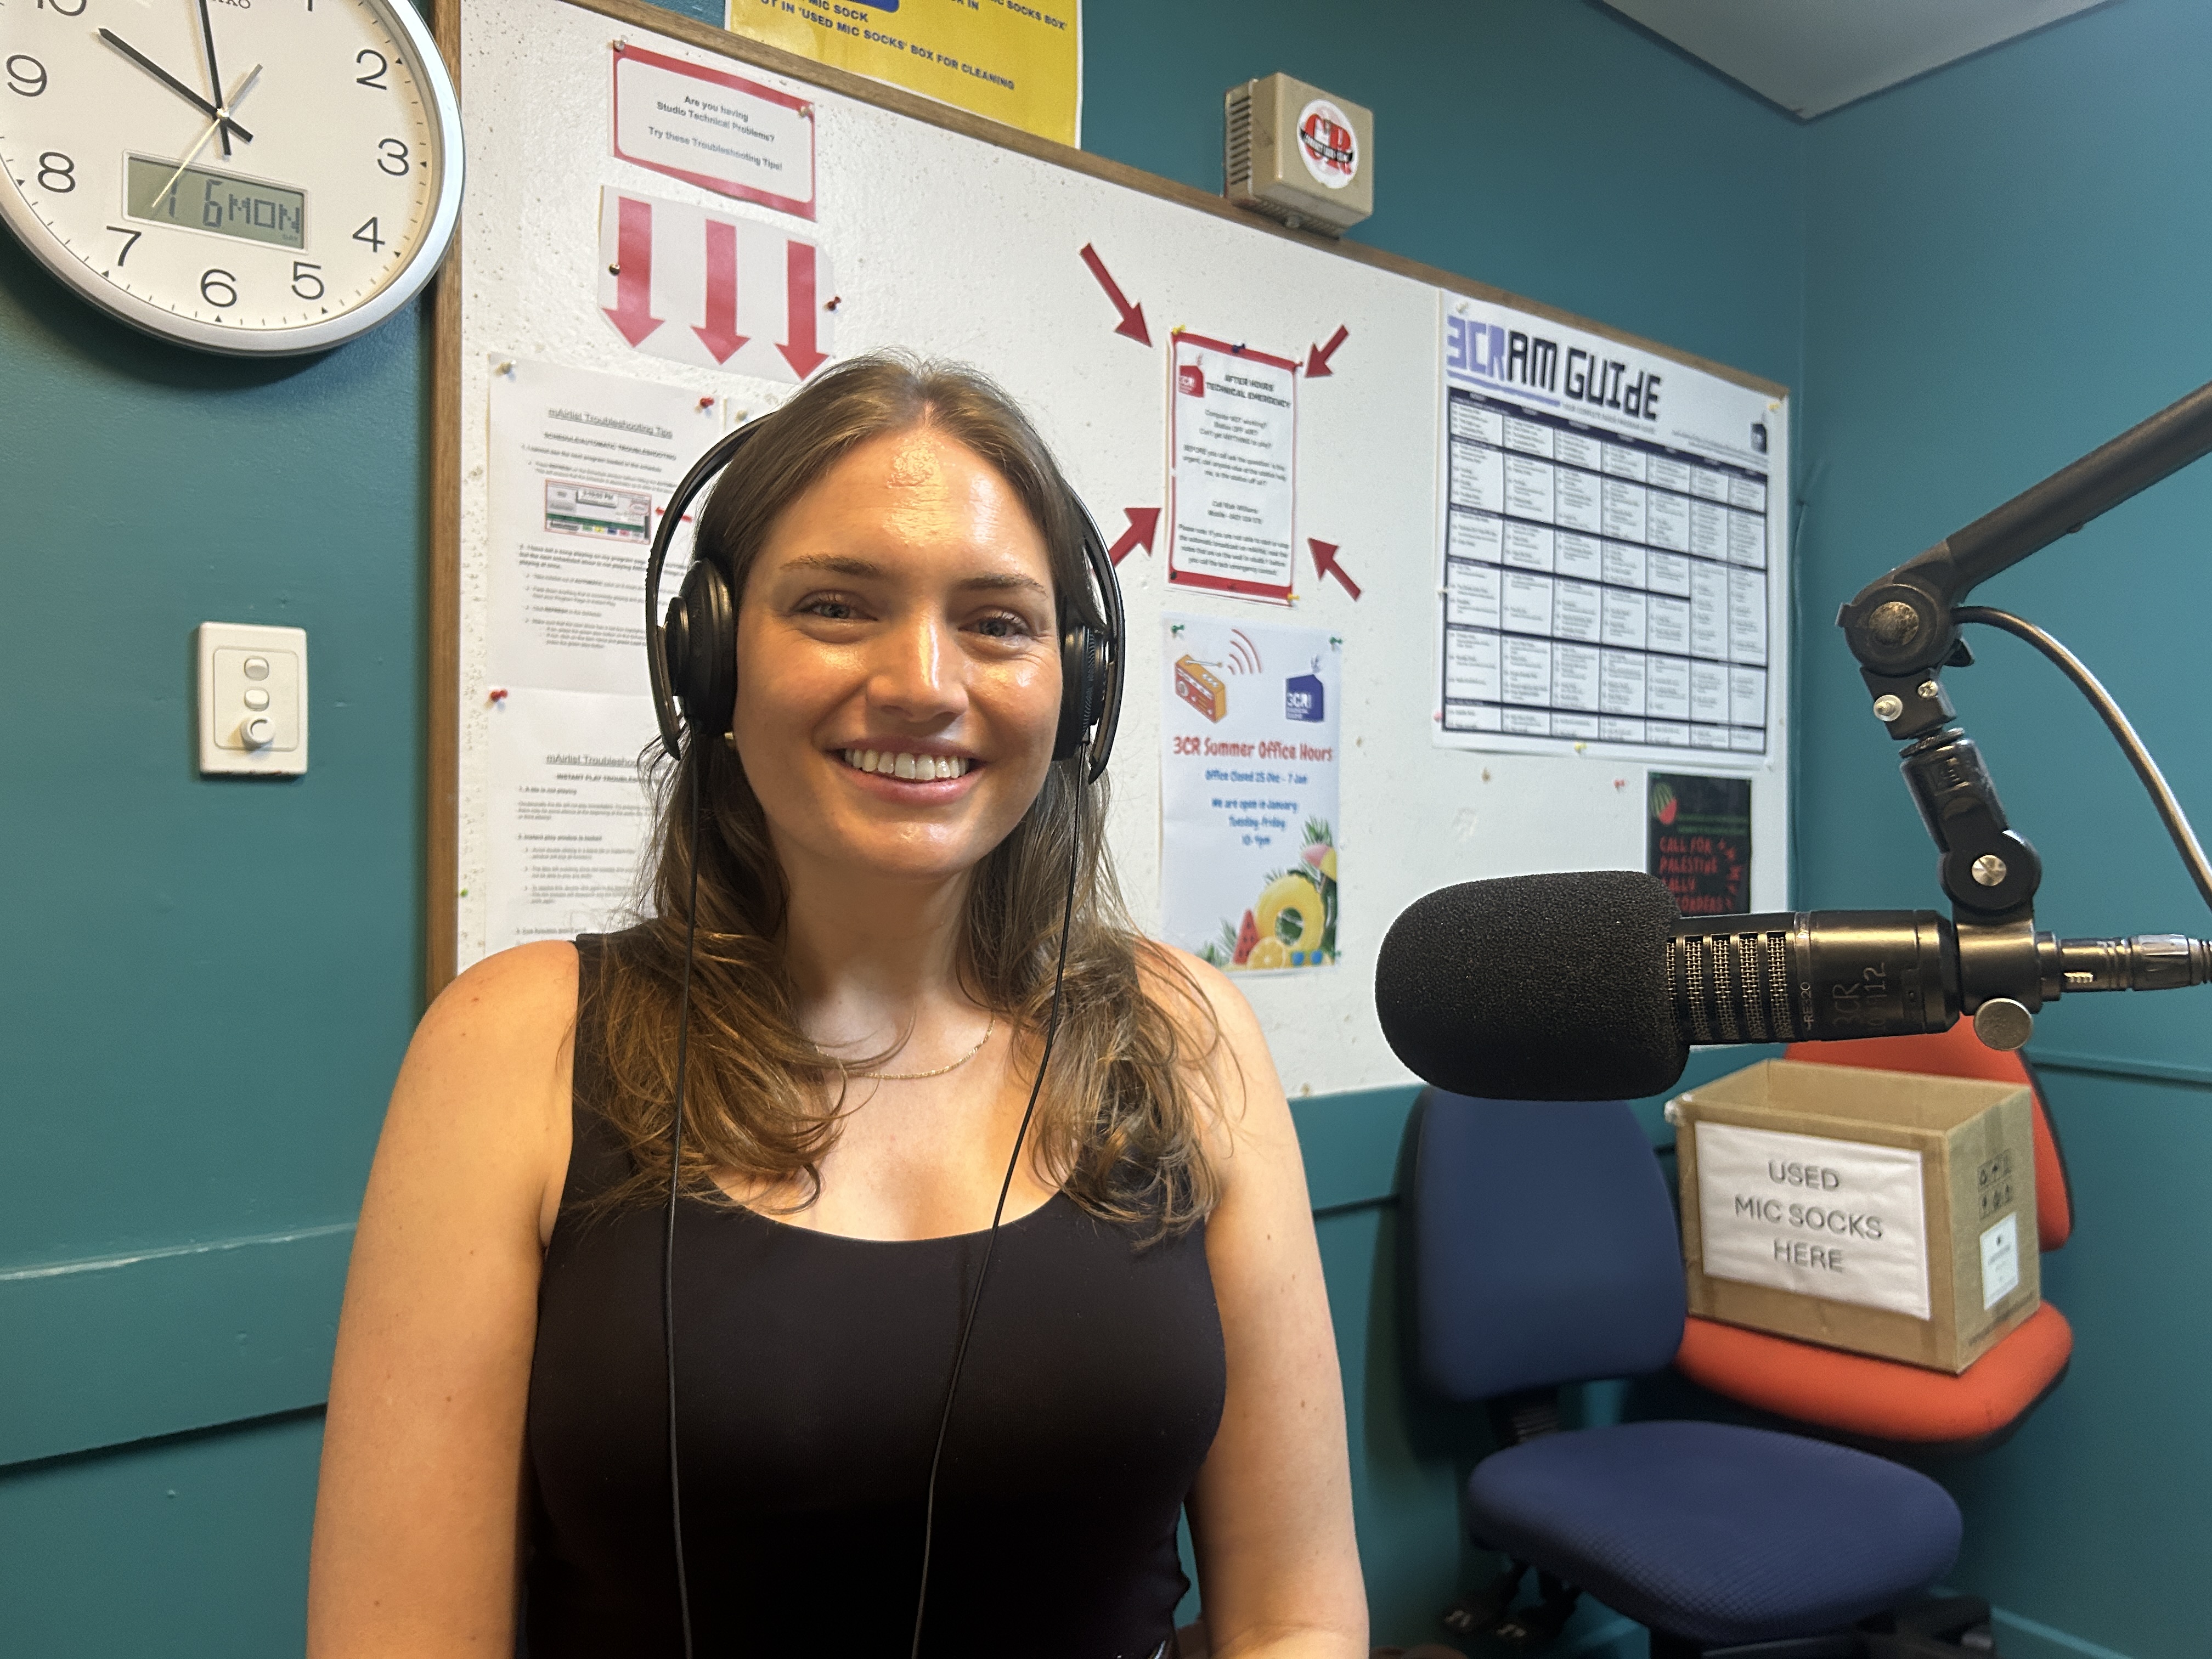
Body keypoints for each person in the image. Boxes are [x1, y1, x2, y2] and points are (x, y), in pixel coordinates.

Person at [306, 354, 1366, 1657]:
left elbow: (1298, 1618)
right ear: (709, 661)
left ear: (1076, 689)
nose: (925, 680)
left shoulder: (1187, 1037)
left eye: (997, 621)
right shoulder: (515, 1046)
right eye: (835, 606)